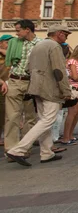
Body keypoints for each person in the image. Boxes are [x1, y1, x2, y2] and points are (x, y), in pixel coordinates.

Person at [5, 25, 72, 167]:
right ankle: (18, 150)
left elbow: (28, 68)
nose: (67, 37)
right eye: (66, 34)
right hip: (50, 88)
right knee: (47, 120)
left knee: (43, 119)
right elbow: (59, 71)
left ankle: (47, 152)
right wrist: (66, 91)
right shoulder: (54, 46)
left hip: (36, 87)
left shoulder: (38, 45)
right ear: (59, 34)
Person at [4, 19, 42, 159]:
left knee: (30, 117)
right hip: (15, 80)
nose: (16, 33)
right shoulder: (15, 43)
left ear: (27, 30)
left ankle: (24, 148)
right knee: (12, 116)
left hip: (30, 83)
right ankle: (11, 149)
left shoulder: (40, 44)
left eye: (18, 30)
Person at [62, 44, 78, 145]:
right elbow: (75, 77)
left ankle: (71, 134)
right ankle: (66, 136)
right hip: (72, 88)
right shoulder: (72, 61)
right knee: (72, 112)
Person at [0, 34, 13, 146]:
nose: (9, 45)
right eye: (7, 43)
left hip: (9, 87)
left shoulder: (11, 55)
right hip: (1, 86)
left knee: (6, 114)